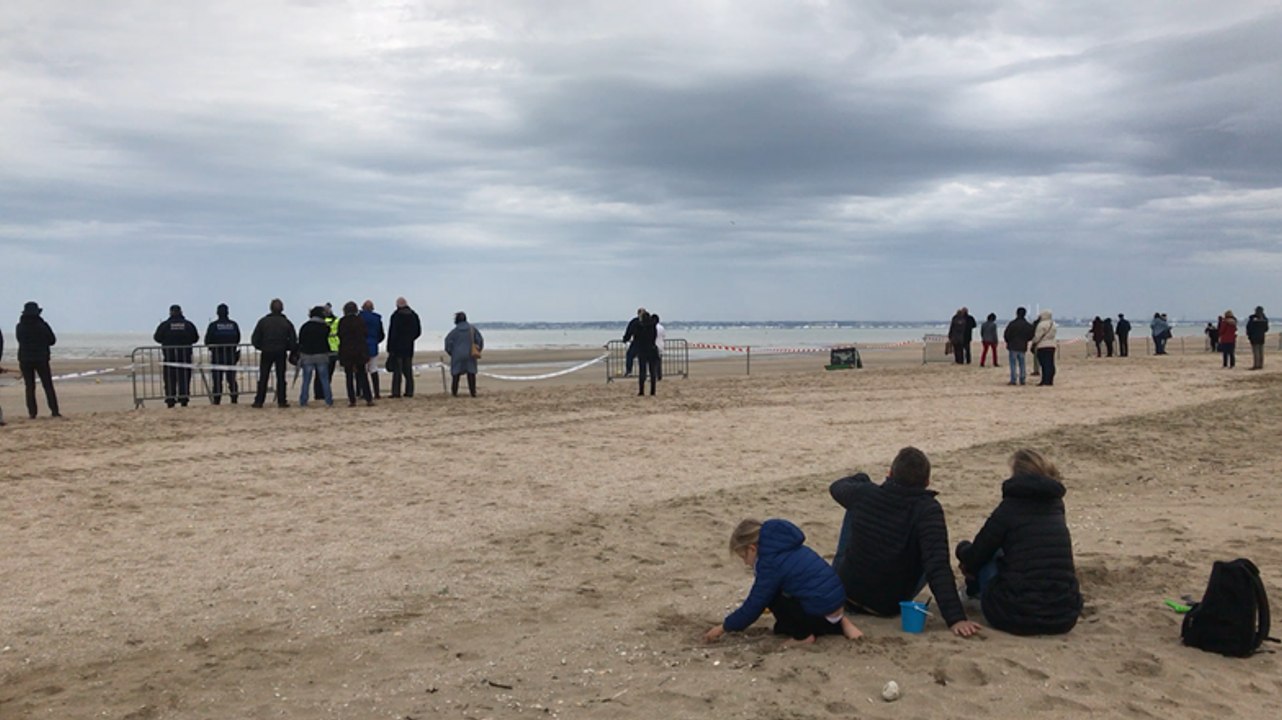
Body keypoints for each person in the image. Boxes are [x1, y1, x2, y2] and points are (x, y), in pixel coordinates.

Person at [829, 447, 982, 638]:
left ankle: (838, 579)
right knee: (932, 551)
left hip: (845, 591)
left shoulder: (867, 493)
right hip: (885, 604)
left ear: (890, 473)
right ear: (926, 482)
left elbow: (837, 486)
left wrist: (862, 479)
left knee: (856, 503)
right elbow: (937, 566)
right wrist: (956, 618)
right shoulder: (927, 509)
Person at [955, 449, 1082, 636]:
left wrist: (961, 549)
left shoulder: (1010, 508)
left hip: (1015, 615)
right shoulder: (1055, 507)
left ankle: (972, 593)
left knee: (992, 554)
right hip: (1064, 616)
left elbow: (977, 554)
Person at [704, 518, 863, 645]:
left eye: (744, 557)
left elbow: (755, 604)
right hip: (835, 605)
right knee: (782, 624)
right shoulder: (787, 546)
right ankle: (842, 623)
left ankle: (803, 637)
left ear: (752, 549)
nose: (746, 563)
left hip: (819, 613)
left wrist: (724, 627)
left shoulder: (769, 563)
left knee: (772, 596)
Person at [16, 301, 61, 419]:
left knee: (29, 387)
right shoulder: (42, 325)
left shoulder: (20, 326)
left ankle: (32, 413)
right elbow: (52, 340)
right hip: (41, 359)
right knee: (47, 385)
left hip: (25, 359)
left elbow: (19, 340)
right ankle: (54, 411)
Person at [250, 298, 297, 408]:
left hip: (267, 351)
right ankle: (282, 400)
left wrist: (261, 347)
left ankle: (259, 400)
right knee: (281, 377)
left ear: (270, 308)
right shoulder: (287, 322)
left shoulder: (263, 322)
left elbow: (255, 339)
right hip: (281, 352)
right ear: (282, 309)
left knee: (263, 376)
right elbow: (294, 340)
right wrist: (288, 348)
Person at [152, 304, 200, 408]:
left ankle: (170, 399)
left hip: (170, 357)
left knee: (170, 379)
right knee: (184, 379)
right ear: (181, 312)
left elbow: (157, 337)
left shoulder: (165, 325)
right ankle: (183, 399)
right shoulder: (188, 325)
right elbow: (195, 338)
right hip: (185, 357)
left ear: (170, 312)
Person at [338, 301, 374, 406]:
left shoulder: (342, 322)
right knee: (362, 374)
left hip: (347, 351)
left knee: (349, 376)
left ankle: (352, 400)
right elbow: (365, 334)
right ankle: (368, 398)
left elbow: (340, 335)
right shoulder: (360, 320)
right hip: (360, 350)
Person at [205, 303, 241, 405]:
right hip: (230, 356)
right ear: (227, 312)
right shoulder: (233, 325)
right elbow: (237, 339)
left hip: (217, 356)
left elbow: (207, 341)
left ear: (217, 313)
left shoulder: (213, 326)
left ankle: (217, 400)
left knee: (217, 380)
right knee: (231, 379)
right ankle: (234, 398)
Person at [297, 306, 333, 407]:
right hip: (321, 354)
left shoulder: (305, 326)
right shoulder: (325, 327)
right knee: (324, 379)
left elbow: (301, 341)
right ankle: (328, 400)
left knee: (306, 380)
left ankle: (303, 401)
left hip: (307, 355)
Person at [386, 297, 421, 398]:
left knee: (397, 371)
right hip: (409, 347)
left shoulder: (396, 316)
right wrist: (410, 339)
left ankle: (396, 392)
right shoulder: (413, 315)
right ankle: (409, 391)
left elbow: (392, 333)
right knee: (408, 371)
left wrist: (390, 348)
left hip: (397, 348)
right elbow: (418, 331)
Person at [444, 311, 483, 397]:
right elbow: (479, 341)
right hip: (470, 354)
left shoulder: (454, 332)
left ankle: (454, 392)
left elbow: (447, 343)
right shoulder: (472, 329)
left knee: (456, 375)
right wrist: (478, 351)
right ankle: (473, 392)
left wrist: (451, 353)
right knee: (471, 374)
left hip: (457, 355)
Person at [313, 303, 340, 402]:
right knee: (328, 374)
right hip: (333, 349)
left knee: (319, 374)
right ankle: (324, 393)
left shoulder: (320, 321)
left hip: (322, 349)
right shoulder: (336, 321)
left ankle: (319, 394)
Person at [359, 300, 385, 398]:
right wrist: (376, 341)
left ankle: (363, 392)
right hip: (373, 345)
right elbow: (381, 334)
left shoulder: (360, 318)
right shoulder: (377, 318)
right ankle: (377, 392)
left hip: (362, 346)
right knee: (373, 369)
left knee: (362, 370)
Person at [1003, 307, 1034, 386]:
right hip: (1022, 346)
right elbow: (1031, 335)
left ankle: (1013, 379)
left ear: (1016, 313)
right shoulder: (1027, 325)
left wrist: (1008, 341)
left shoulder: (1012, 324)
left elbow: (1006, 334)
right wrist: (1026, 340)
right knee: (1022, 364)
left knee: (1013, 364)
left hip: (1013, 346)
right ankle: (1022, 379)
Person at [633, 310, 660, 396]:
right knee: (652, 372)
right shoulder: (653, 326)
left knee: (642, 371)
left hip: (642, 350)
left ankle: (641, 390)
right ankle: (653, 391)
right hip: (652, 349)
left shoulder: (639, 326)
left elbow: (636, 338)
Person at [1031, 309, 1058, 386]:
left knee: (1044, 364)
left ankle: (1045, 380)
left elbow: (1037, 336)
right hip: (1052, 345)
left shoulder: (1041, 325)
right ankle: (1050, 380)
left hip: (1042, 346)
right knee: (1050, 363)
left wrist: (1033, 343)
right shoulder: (1053, 324)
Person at [622, 307, 646, 376]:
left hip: (638, 342)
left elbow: (629, 331)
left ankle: (629, 371)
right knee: (642, 358)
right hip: (646, 342)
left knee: (630, 355)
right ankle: (642, 372)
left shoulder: (635, 322)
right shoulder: (649, 321)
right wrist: (626, 338)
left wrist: (625, 339)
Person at [1247, 306, 1269, 370]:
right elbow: (1266, 329)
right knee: (1261, 351)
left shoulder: (1252, 319)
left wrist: (1249, 334)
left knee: (1256, 351)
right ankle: (1260, 365)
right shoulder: (1264, 319)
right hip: (1261, 336)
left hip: (1254, 336)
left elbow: (1249, 327)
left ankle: (1256, 365)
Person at [653, 313, 665, 381]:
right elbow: (664, 336)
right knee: (659, 362)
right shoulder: (661, 327)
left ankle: (654, 375)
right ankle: (659, 375)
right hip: (660, 345)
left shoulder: (653, 327)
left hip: (654, 346)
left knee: (653, 363)